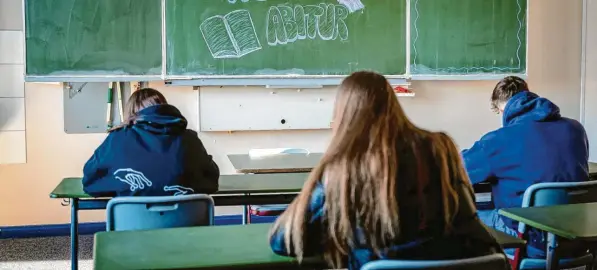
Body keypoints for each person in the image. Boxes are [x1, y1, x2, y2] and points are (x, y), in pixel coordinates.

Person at [268, 71, 507, 270]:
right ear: (393, 105)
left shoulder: (342, 167)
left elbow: (283, 240)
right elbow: (467, 214)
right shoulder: (440, 148)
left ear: (341, 117)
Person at [462, 76, 589, 258]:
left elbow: (455, 168)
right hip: (578, 238)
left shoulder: (499, 140)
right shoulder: (576, 129)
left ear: (502, 108)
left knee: (467, 216)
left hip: (530, 242)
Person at [82, 88, 219, 197]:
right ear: (164, 109)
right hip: (186, 227)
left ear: (131, 114)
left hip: (132, 228)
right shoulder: (189, 139)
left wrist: (119, 186)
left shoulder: (117, 139)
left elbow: (90, 181)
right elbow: (211, 180)